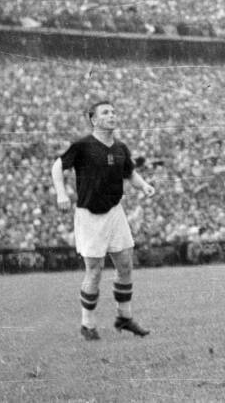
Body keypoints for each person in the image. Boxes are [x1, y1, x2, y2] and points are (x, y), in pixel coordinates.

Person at [51, 100, 157, 340]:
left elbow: (129, 172)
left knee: (125, 265)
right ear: (94, 120)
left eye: (113, 112)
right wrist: (61, 192)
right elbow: (58, 166)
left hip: (114, 212)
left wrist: (144, 186)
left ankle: (124, 317)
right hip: (90, 215)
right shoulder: (83, 145)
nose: (112, 115)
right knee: (95, 271)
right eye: (106, 112)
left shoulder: (120, 147)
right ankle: (87, 325)